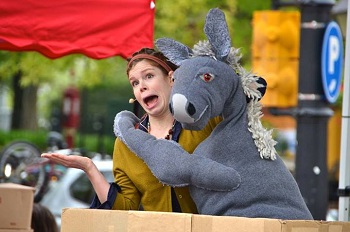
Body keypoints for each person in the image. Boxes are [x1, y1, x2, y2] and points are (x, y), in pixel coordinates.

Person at [41, 47, 221, 213]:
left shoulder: (206, 120)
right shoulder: (126, 144)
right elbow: (124, 207)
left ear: (171, 78)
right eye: (134, 83)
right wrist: (89, 168)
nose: (141, 86)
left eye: (149, 76)